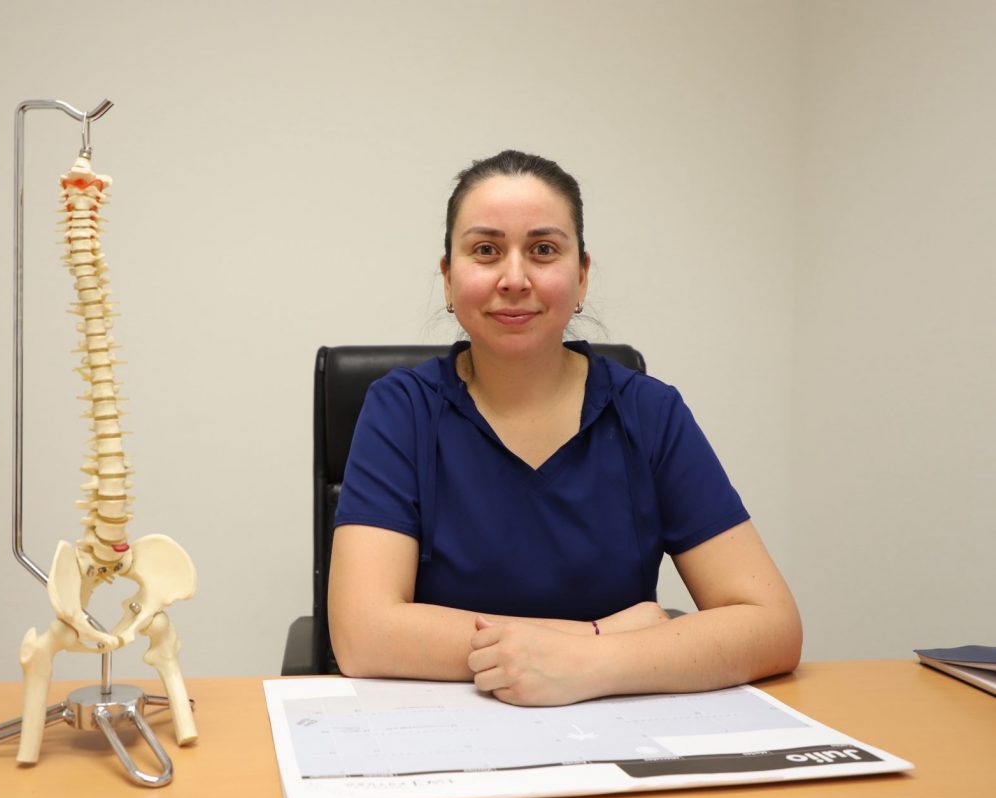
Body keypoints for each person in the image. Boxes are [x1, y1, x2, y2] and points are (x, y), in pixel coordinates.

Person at [328, 150, 801, 706]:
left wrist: (589, 663)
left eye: (543, 250)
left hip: (615, 728)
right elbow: (363, 635)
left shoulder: (649, 413)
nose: (514, 278)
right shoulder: (401, 410)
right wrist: (597, 634)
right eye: (486, 250)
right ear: (449, 279)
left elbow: (771, 625)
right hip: (447, 731)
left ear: (580, 277)